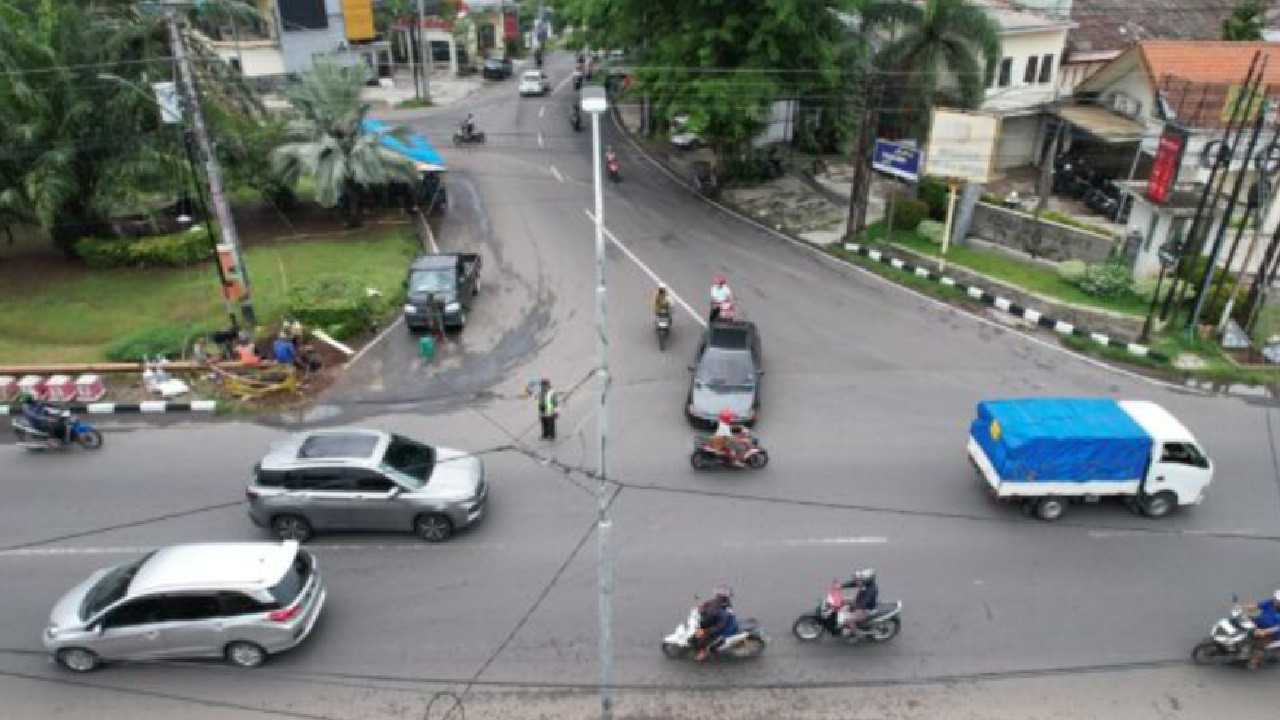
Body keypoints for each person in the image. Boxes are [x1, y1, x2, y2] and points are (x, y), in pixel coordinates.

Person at [695, 586, 739, 661]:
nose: (717, 597)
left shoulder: (723, 612)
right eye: (717, 595)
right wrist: (702, 605)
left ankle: (704, 653)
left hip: (727, 628)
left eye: (719, 595)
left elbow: (720, 626)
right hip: (723, 622)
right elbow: (709, 603)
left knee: (711, 642)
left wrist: (705, 631)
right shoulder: (720, 601)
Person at [1244, 589, 1280, 669]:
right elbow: (1257, 605)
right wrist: (1242, 608)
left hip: (1272, 633)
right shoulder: (1270, 603)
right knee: (1243, 626)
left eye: (1278, 601)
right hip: (1259, 623)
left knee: (1259, 645)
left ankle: (1255, 661)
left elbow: (1277, 628)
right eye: (1275, 599)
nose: (1275, 601)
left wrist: (1265, 631)